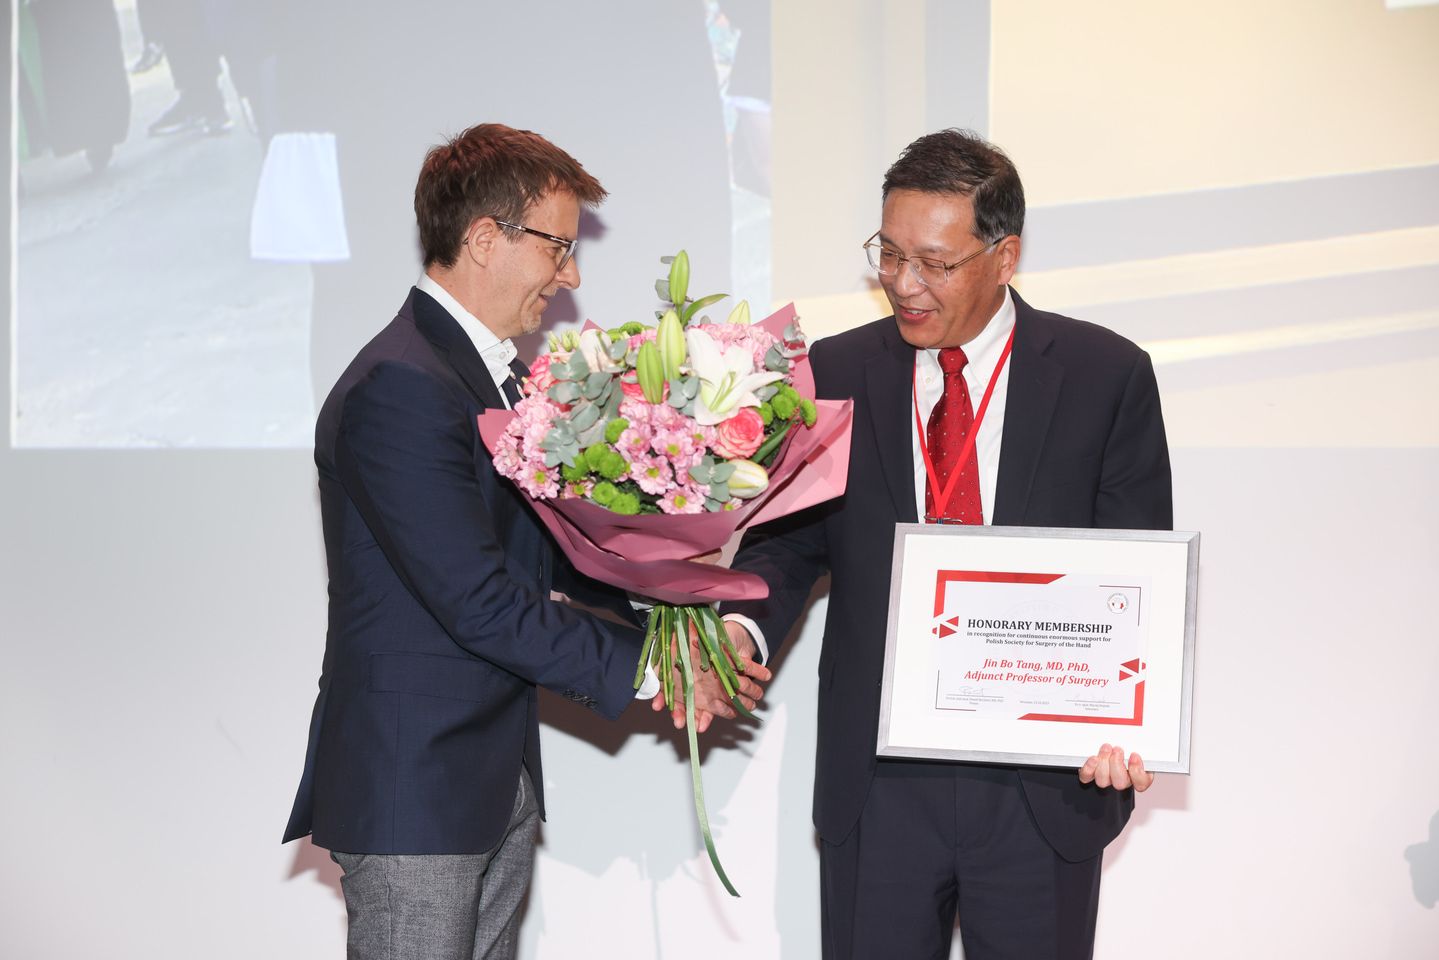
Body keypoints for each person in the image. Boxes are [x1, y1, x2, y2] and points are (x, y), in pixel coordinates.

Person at [282, 123, 764, 960]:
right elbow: (478, 600)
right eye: (558, 247)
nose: (569, 275)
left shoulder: (484, 378)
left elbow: (548, 557)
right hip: (415, 788)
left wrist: (678, 622)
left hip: (484, 778)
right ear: (483, 239)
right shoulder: (401, 384)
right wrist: (657, 668)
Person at [716, 129, 1172, 959]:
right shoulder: (835, 371)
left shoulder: (1104, 374)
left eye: (933, 262)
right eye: (888, 254)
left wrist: (1126, 720)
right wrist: (737, 630)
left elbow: (1135, 572)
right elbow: (787, 544)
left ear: (1004, 257)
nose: (901, 283)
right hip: (880, 777)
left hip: (1043, 777)